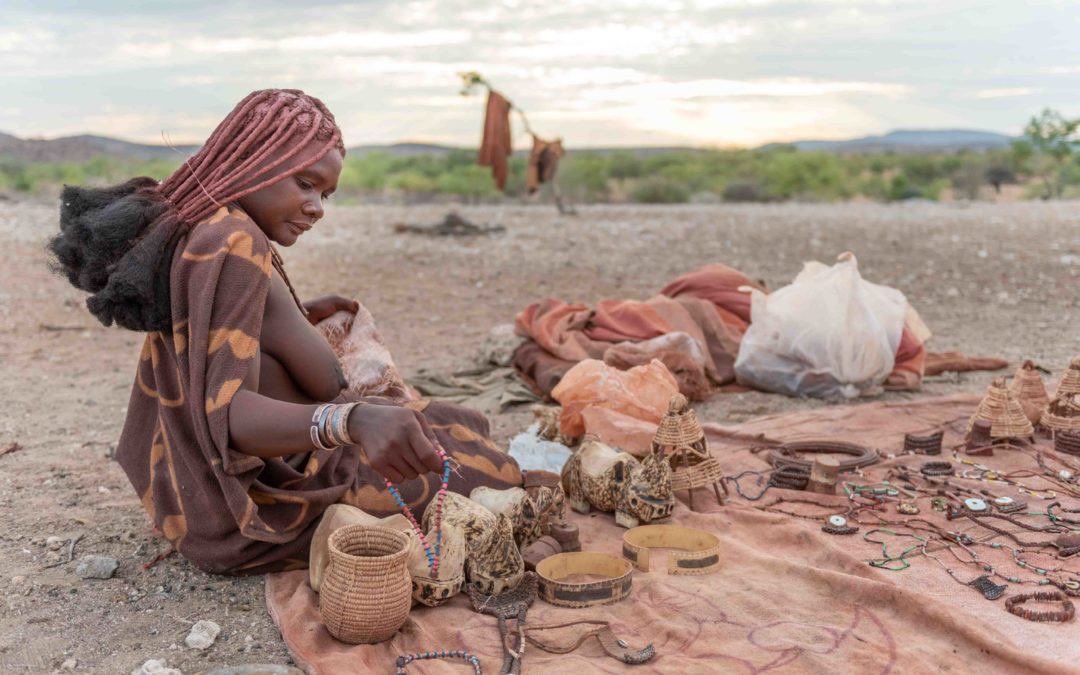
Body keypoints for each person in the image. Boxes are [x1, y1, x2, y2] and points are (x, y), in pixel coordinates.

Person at [49, 89, 521, 574]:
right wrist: (352, 422)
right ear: (256, 159)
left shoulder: (208, 226)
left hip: (210, 501)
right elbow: (228, 417)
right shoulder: (235, 243)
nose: (317, 207)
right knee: (493, 471)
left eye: (326, 194)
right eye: (305, 183)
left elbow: (218, 340)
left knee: (454, 421)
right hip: (264, 513)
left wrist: (294, 313)